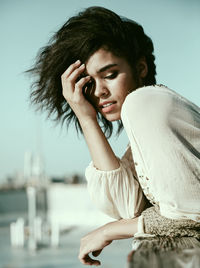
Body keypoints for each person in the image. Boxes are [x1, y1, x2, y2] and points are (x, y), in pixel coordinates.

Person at [28, 6, 200, 266]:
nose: (100, 92)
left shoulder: (144, 103)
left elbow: (191, 213)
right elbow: (128, 207)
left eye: (110, 75)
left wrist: (107, 231)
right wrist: (86, 118)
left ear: (140, 67)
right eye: (89, 83)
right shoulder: (147, 115)